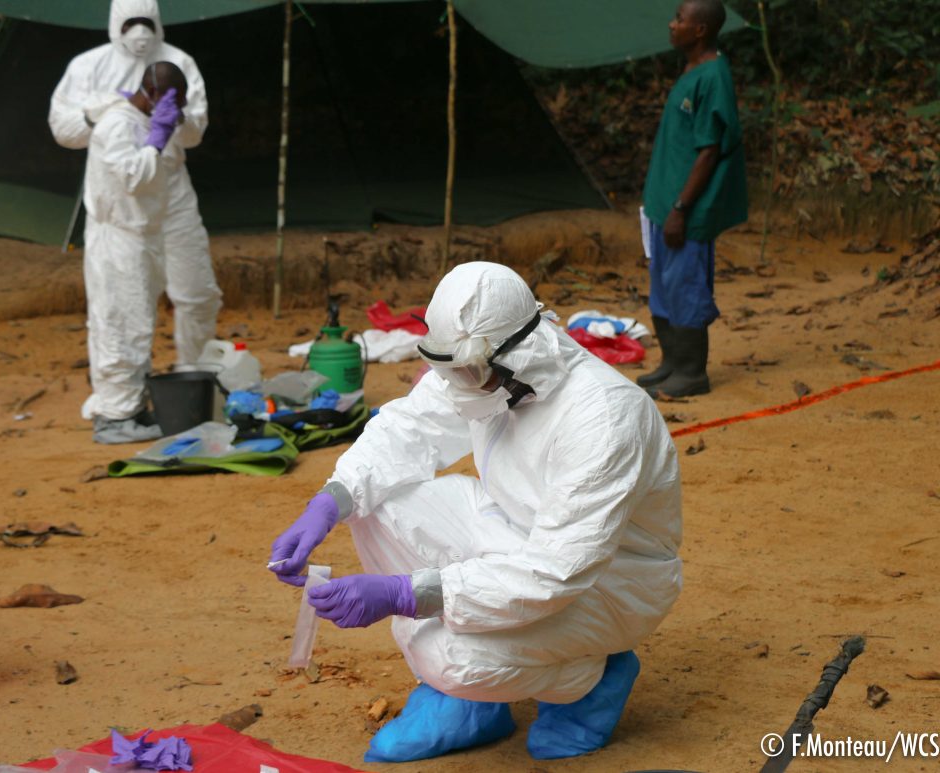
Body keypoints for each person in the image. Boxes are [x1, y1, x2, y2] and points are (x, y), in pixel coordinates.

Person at [269, 262, 683, 762]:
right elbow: (410, 429)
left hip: (606, 582)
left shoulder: (604, 417)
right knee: (373, 502)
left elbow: (556, 570)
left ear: (518, 353)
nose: (453, 386)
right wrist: (329, 502)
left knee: (449, 656)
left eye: (465, 373)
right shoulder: (484, 371)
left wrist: (406, 593)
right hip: (516, 532)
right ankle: (473, 699)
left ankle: (589, 678)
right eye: (444, 370)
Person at [49, 0, 222, 375]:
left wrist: (175, 120)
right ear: (116, 23)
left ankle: (195, 377)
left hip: (171, 191)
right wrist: (100, 115)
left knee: (197, 293)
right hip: (122, 204)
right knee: (119, 305)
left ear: (158, 21)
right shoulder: (89, 66)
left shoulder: (179, 62)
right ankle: (122, 390)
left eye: (146, 22)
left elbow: (195, 132)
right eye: (130, 23)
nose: (140, 32)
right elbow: (63, 130)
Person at [638, 0, 748, 398]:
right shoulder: (691, 69)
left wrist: (681, 208)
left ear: (699, 30)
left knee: (685, 285)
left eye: (679, 19)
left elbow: (709, 151)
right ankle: (672, 362)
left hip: (686, 208)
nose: (672, 25)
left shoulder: (714, 77)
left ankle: (691, 371)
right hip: (664, 203)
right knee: (663, 285)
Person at [80, 63, 187, 443]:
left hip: (139, 237)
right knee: (118, 326)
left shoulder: (136, 121)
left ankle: (132, 406)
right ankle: (115, 416)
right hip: (118, 240)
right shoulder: (117, 125)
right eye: (175, 102)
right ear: (156, 94)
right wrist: (156, 141)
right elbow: (132, 178)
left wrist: (157, 136)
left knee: (137, 325)